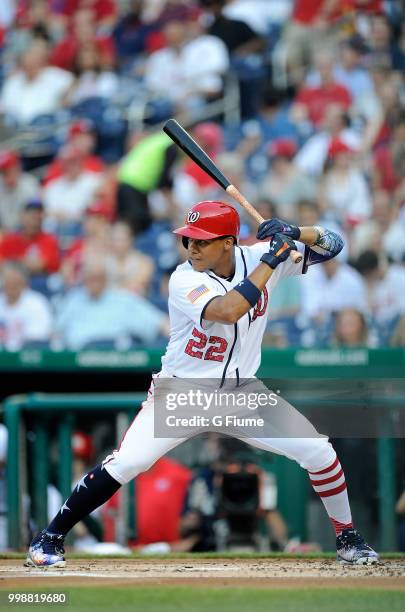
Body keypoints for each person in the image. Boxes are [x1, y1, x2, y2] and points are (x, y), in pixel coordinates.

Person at [26, 201, 379, 566]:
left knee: (319, 452)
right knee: (127, 462)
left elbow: (333, 244)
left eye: (201, 241)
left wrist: (293, 233)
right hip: (182, 394)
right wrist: (272, 261)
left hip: (243, 393)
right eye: (188, 240)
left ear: (228, 242)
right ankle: (49, 537)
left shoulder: (258, 255)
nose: (191, 248)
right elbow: (228, 310)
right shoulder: (185, 278)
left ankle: (348, 538)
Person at [0, 261, 53, 350]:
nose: (10, 284)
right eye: (7, 280)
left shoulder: (36, 302)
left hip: (25, 359)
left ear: (24, 282)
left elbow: (37, 339)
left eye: (14, 280)